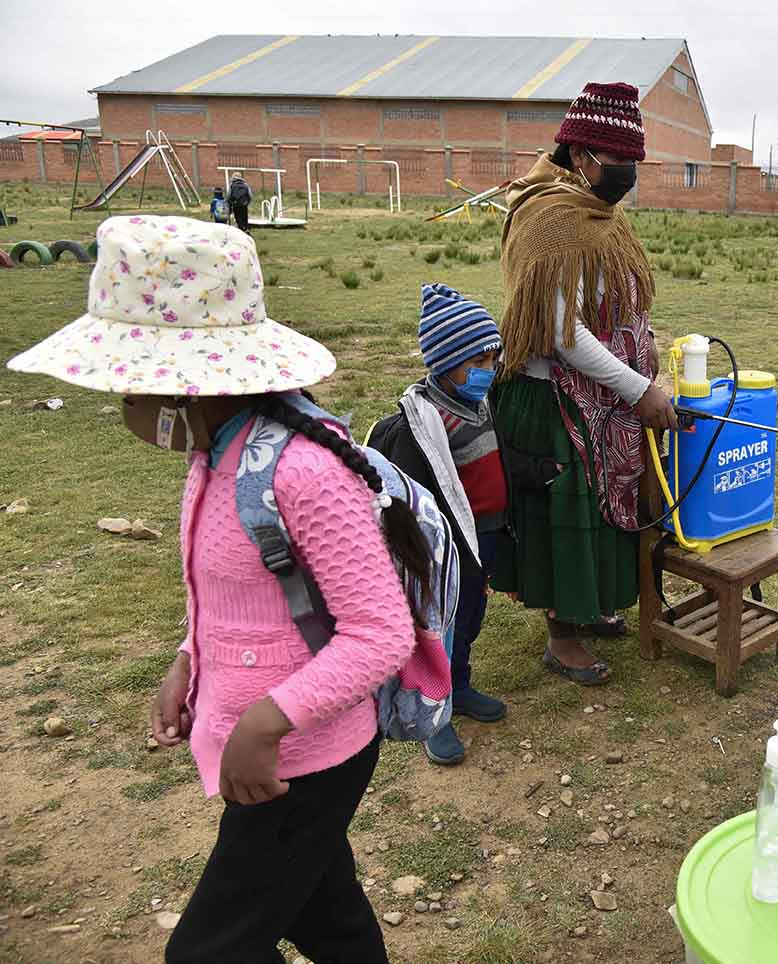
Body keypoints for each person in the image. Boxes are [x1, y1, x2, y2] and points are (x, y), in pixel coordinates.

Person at [7, 215, 424, 963]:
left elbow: (381, 633)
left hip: (304, 757)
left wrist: (266, 724)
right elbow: (235, 594)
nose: (121, 408)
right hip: (261, 738)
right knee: (328, 916)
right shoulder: (213, 454)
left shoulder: (301, 471)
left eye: (127, 389)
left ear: (182, 387)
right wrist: (187, 660)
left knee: (207, 952)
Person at [491, 81, 676, 686]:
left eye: (633, 163)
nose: (626, 173)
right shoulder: (547, 219)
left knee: (602, 505)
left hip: (600, 393)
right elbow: (559, 332)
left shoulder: (602, 214)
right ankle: (561, 634)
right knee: (562, 510)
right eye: (617, 161)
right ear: (579, 155)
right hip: (550, 398)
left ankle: (590, 605)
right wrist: (637, 388)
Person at [367, 283, 509, 766]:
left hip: (483, 537)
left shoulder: (481, 406)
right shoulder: (418, 426)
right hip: (446, 549)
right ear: (445, 364)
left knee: (468, 620)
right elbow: (416, 498)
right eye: (478, 364)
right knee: (438, 627)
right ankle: (435, 714)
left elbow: (495, 462)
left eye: (492, 362)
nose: (488, 373)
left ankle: (460, 686)